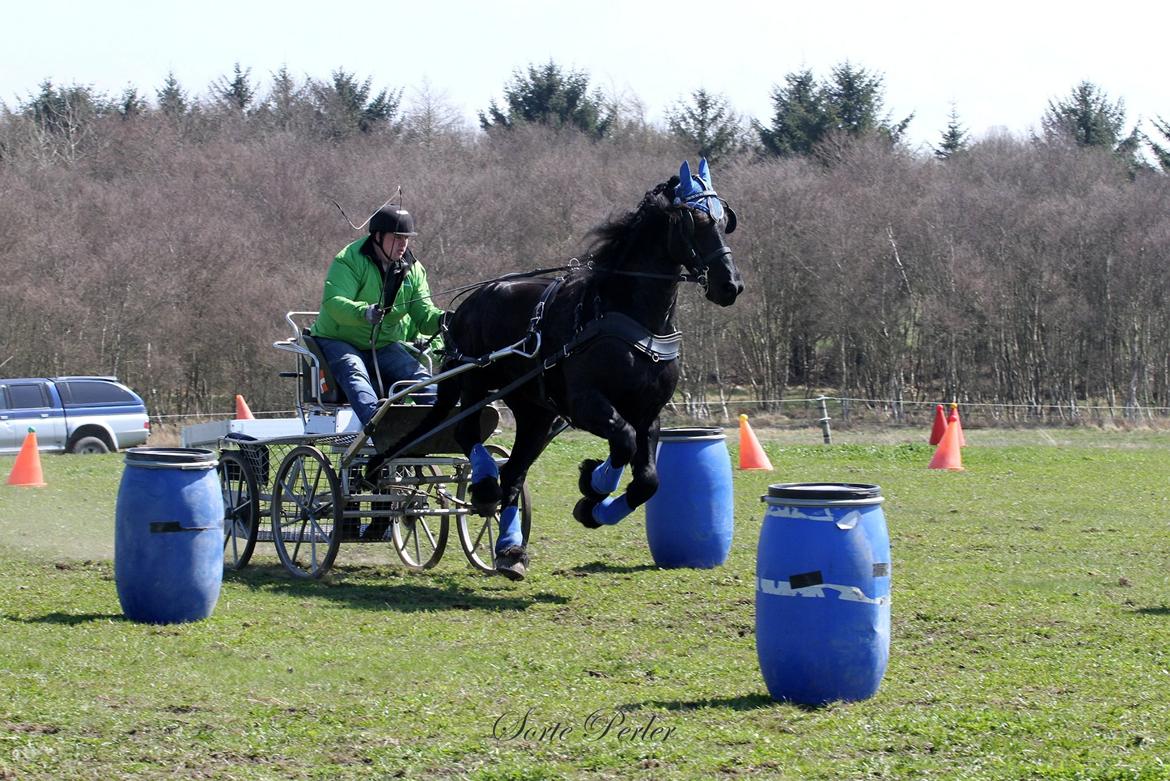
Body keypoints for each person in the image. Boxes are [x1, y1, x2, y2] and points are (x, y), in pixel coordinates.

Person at [310, 206, 445, 431]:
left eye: (407, 239)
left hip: (383, 344)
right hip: (338, 340)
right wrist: (363, 312)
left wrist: (443, 320)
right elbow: (333, 302)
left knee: (415, 375)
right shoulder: (349, 260)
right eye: (397, 237)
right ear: (378, 236)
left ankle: (443, 423)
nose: (403, 244)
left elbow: (423, 314)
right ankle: (380, 429)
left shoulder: (414, 270)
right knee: (354, 370)